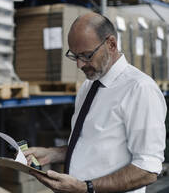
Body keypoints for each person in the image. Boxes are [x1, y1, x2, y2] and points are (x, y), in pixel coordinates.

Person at [24, 12, 167, 193]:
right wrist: (51, 154)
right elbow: (91, 146)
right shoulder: (88, 86)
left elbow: (148, 169)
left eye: (86, 55)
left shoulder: (140, 89)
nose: (79, 65)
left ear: (111, 44)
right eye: (74, 56)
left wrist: (87, 188)